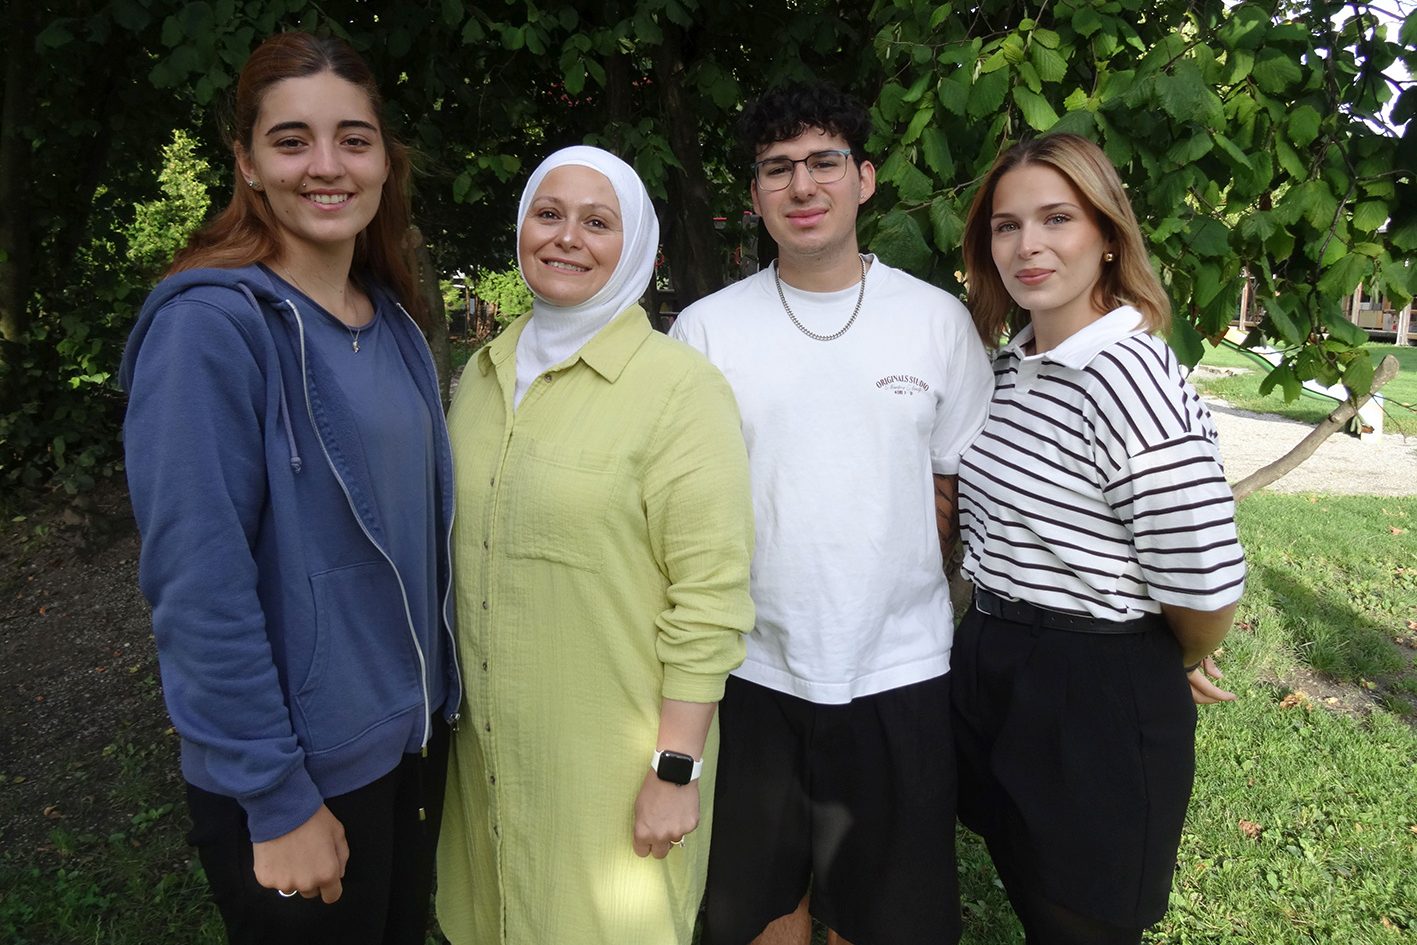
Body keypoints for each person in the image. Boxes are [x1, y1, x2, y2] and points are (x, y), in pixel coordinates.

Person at [119, 32, 459, 945]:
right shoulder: (210, 331)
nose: (327, 165)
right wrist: (272, 798)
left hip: (408, 748)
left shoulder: (390, 322)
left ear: (385, 159)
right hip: (299, 775)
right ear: (248, 164)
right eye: (292, 140)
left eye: (353, 138)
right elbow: (198, 585)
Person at [669, 83, 994, 945]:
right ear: (754, 196)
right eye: (777, 169)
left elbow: (958, 488)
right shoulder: (705, 332)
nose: (801, 186)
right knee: (759, 911)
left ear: (865, 179)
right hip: (751, 671)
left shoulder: (935, 322)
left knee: (885, 917)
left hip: (900, 669)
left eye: (823, 163)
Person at [434, 145, 755, 945]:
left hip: (613, 773)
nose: (566, 237)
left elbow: (711, 596)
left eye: (596, 221)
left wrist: (675, 770)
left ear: (634, 245)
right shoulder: (478, 376)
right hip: (489, 763)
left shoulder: (680, 391)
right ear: (520, 229)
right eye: (548, 214)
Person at [953, 132, 1248, 945]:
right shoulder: (1011, 365)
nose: (1028, 245)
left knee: (1082, 922)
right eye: (1006, 226)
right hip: (996, 661)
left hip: (1090, 691)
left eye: (1056, 217)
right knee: (1029, 891)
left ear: (1108, 235)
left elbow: (1203, 585)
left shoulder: (1130, 377)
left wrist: (1166, 655)